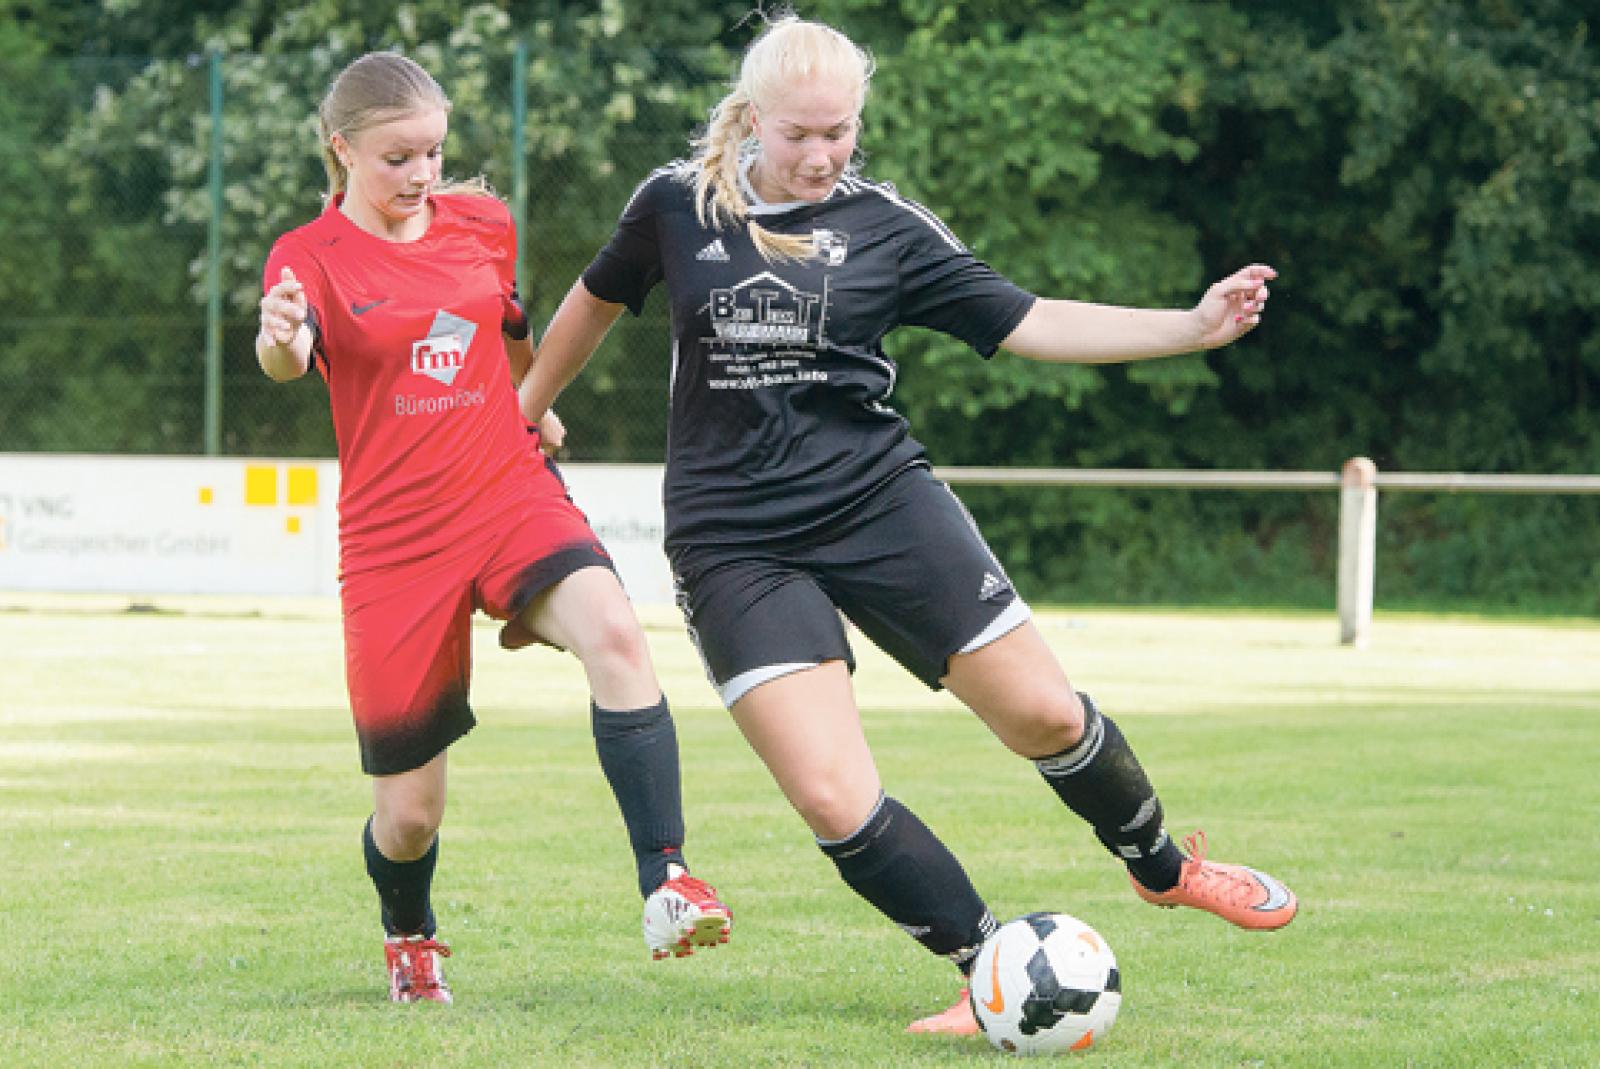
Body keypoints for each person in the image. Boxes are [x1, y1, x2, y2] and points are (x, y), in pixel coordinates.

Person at [517, 14, 1300, 1035]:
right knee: (832, 794)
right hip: (733, 540)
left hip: (878, 502)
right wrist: (526, 411)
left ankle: (1162, 866)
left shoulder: (884, 226)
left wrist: (1189, 327)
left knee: (1045, 715)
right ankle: (991, 970)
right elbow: (590, 303)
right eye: (798, 133)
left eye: (838, 131)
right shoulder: (676, 203)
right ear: (753, 118)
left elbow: (1025, 317)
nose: (820, 154)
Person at [255, 51, 731, 1005]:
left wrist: (532, 405)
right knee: (409, 817)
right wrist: (281, 336)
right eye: (397, 158)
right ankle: (409, 934)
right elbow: (288, 356)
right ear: (342, 149)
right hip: (393, 544)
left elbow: (507, 322)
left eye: (433, 152)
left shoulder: (480, 223)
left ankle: (668, 880)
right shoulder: (307, 257)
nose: (422, 174)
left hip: (505, 490)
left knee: (616, 631)